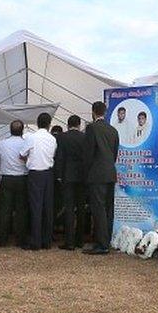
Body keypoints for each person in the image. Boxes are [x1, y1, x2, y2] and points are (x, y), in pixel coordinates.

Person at [83, 101, 119, 255]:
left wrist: (87, 171)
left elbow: (88, 153)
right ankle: (107, 241)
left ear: (93, 112)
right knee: (108, 209)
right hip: (110, 172)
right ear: (105, 112)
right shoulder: (113, 130)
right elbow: (115, 152)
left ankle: (101, 244)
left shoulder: (91, 128)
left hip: (96, 174)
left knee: (98, 209)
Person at [22, 112, 57, 250]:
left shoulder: (32, 138)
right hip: (48, 173)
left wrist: (29, 160)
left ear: (37, 123)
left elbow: (22, 154)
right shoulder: (52, 139)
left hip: (35, 174)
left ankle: (35, 241)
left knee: (36, 207)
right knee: (48, 207)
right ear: (49, 124)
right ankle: (46, 241)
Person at [55, 115, 88, 250]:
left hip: (67, 176)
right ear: (79, 125)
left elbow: (59, 157)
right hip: (82, 177)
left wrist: (59, 175)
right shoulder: (85, 137)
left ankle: (69, 241)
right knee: (81, 208)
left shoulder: (62, 137)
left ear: (68, 125)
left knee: (68, 208)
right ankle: (80, 240)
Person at [0, 120, 28, 247]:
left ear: (10, 130)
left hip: (7, 179)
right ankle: (21, 240)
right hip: (22, 178)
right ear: (22, 130)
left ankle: (2, 239)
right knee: (21, 210)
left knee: (4, 210)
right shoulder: (25, 143)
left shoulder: (2, 144)